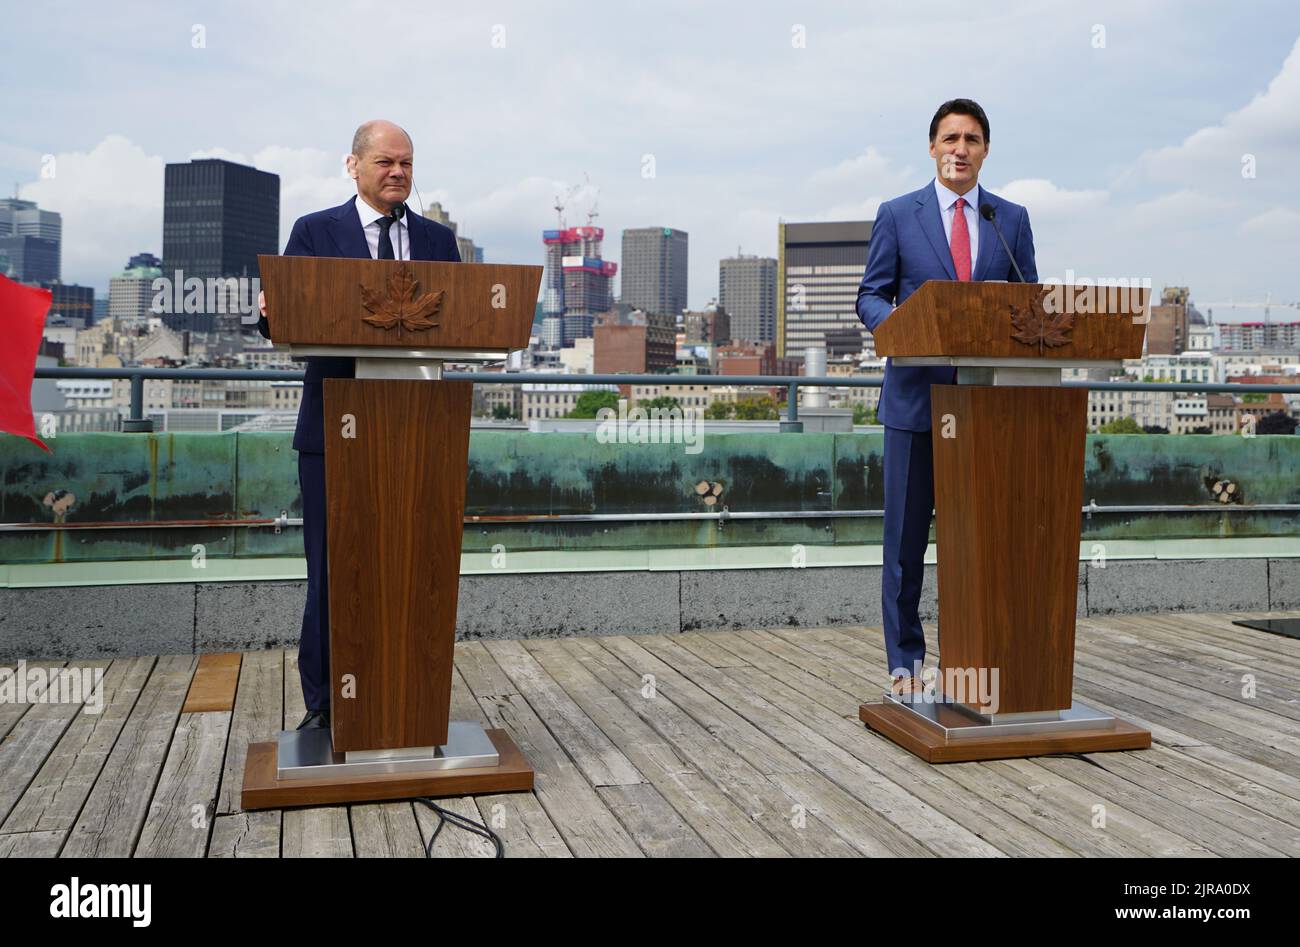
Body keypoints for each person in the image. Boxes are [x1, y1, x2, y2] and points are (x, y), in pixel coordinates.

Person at [257, 119, 462, 729]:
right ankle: (324, 707)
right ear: (354, 166)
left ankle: (411, 702)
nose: (398, 172)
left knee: (416, 566)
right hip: (334, 429)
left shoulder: (438, 239)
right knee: (332, 571)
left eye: (406, 163)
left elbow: (462, 322)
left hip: (418, 427)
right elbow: (282, 322)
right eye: (385, 163)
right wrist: (269, 313)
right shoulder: (315, 231)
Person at [855, 98, 1038, 696]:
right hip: (915, 406)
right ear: (932, 147)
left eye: (973, 139)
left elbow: (1029, 307)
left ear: (986, 151)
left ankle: (973, 666)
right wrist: (906, 324)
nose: (961, 149)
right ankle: (906, 669)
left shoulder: (1007, 219)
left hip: (987, 410)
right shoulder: (896, 214)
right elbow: (870, 296)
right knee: (906, 550)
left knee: (978, 546)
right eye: (951, 138)